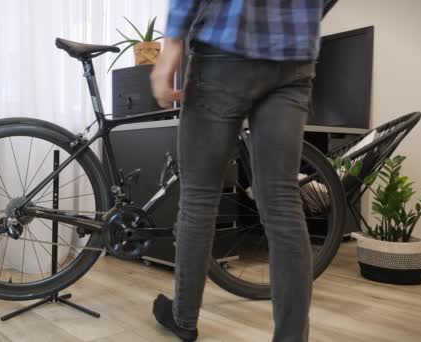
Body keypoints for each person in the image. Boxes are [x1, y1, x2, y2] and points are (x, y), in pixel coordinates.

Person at [150, 0, 337, 341]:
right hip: (294, 58)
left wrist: (172, 43)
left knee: (199, 198)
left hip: (226, 47)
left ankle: (184, 319)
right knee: (282, 202)